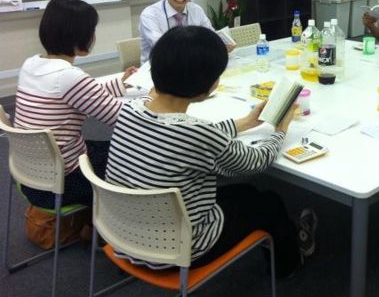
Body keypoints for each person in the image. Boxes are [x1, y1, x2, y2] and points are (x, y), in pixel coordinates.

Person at [106, 26, 315, 277]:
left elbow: (193, 137)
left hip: (123, 234)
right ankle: (289, 265)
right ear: (207, 84)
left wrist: (245, 123)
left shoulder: (130, 109)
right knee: (268, 202)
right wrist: (280, 130)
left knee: (245, 193)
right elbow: (256, 161)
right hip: (179, 250)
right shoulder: (195, 133)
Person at [14, 0, 137, 208]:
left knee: (110, 147)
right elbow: (124, 118)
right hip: (64, 183)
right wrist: (154, 99)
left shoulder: (31, 64)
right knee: (136, 157)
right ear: (80, 36)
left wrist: (120, 82)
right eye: (92, 30)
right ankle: (114, 220)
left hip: (30, 175)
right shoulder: (68, 77)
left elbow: (86, 95)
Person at [138, 0, 234, 63]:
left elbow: (210, 37)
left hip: (191, 66)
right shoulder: (150, 15)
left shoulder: (196, 11)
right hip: (157, 69)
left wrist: (221, 45)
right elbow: (163, 49)